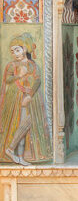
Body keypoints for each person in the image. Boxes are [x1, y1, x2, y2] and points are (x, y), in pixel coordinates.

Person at [0, 33, 51, 165]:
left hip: (30, 99)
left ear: (24, 49)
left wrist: (29, 96)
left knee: (27, 124)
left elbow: (38, 80)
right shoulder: (11, 65)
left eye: (17, 50)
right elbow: (7, 79)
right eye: (12, 51)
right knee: (21, 124)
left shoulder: (32, 65)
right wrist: (19, 76)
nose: (15, 53)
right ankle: (13, 151)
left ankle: (15, 152)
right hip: (15, 99)